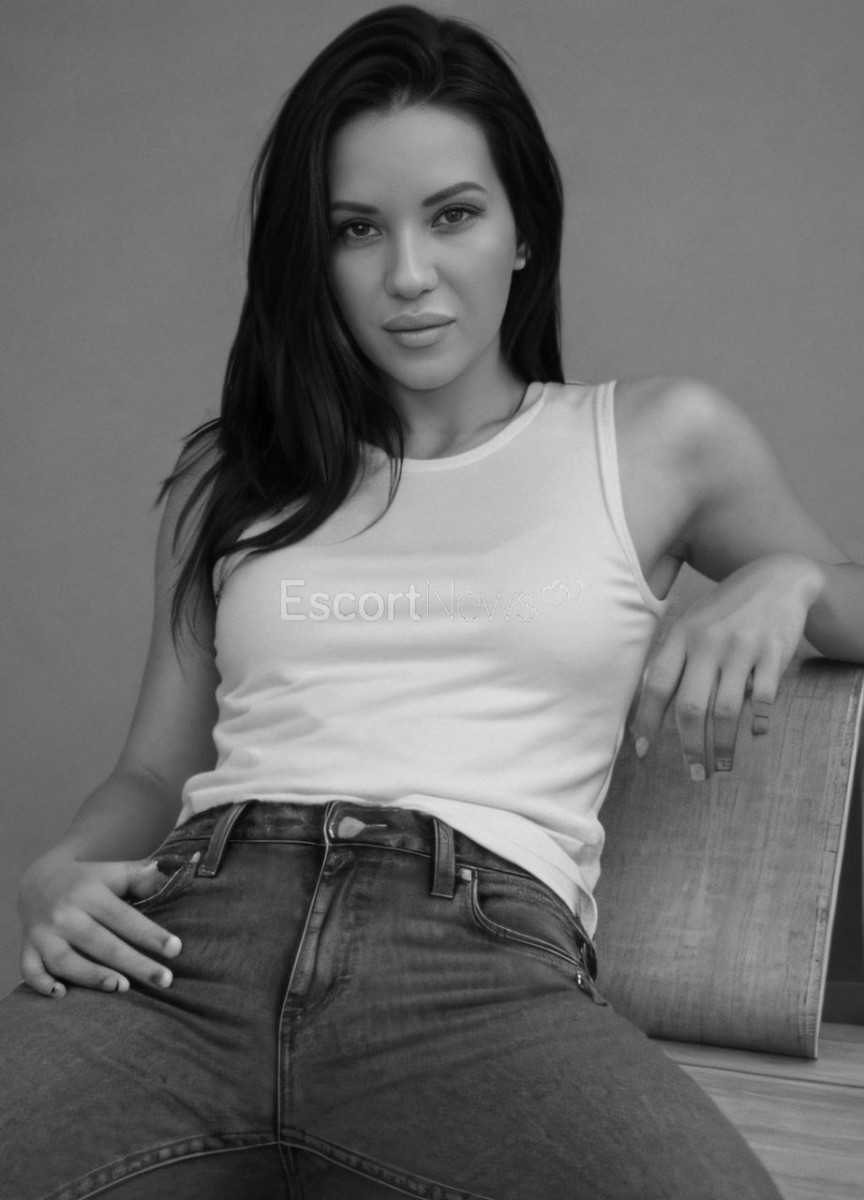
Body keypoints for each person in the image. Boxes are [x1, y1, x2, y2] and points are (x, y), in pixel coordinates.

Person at [2, 5, 862, 1198]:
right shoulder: (232, 474)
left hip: (476, 967)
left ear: (523, 230)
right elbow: (153, 772)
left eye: (453, 214)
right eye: (357, 229)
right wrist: (55, 872)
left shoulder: (657, 439)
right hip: (186, 948)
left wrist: (796, 579)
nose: (408, 275)